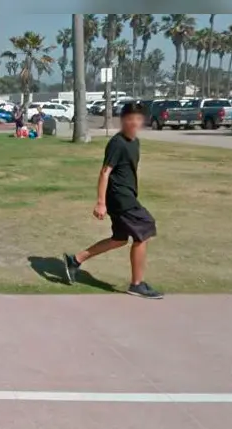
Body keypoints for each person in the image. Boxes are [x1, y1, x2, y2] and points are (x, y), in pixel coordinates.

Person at [63, 103, 162, 299]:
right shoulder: (117, 143)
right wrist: (101, 202)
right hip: (119, 197)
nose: (134, 123)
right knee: (144, 229)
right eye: (130, 119)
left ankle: (75, 260)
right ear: (123, 120)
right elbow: (105, 172)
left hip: (127, 195)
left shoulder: (134, 142)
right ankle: (137, 284)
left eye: (138, 119)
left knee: (120, 239)